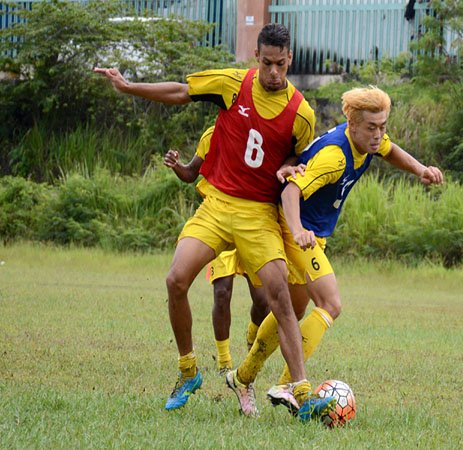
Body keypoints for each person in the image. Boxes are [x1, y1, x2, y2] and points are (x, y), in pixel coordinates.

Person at [94, 23, 335, 420]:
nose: (274, 72)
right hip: (218, 204)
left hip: (258, 213)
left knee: (279, 298)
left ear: (290, 59)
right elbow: (181, 91)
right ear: (257, 57)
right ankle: (189, 370)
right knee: (176, 279)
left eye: (281, 64)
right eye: (268, 63)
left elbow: (299, 157)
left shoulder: (302, 113)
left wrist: (289, 168)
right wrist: (129, 86)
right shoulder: (231, 84)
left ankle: (303, 392)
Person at [229, 86, 444, 414]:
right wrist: (299, 230)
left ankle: (243, 376)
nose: (378, 135)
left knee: (295, 311)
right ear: (352, 125)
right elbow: (290, 192)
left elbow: (389, 150)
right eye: (372, 128)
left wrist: (421, 170)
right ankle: (289, 384)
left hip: (310, 232)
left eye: (383, 126)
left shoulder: (366, 140)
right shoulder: (335, 156)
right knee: (330, 303)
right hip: (295, 229)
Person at [163, 126, 270, 376]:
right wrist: (177, 165)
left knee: (263, 301)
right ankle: (224, 362)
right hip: (218, 221)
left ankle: (252, 337)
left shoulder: (264, 133)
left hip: (251, 222)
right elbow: (191, 173)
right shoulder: (213, 134)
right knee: (222, 292)